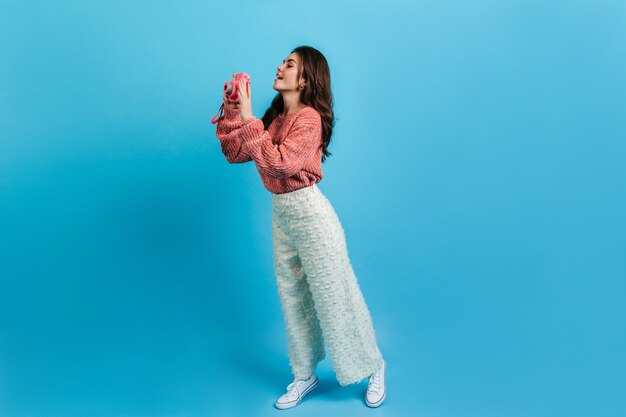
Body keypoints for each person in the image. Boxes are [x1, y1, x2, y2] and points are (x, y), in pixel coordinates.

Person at [214, 45, 386, 409]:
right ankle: (304, 374)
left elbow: (279, 164)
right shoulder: (275, 120)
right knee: (293, 297)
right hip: (283, 216)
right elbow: (235, 153)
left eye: (289, 64)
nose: (279, 66)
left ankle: (373, 364)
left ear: (305, 79)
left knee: (334, 294)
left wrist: (247, 120)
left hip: (311, 214)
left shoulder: (309, 119)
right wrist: (233, 108)